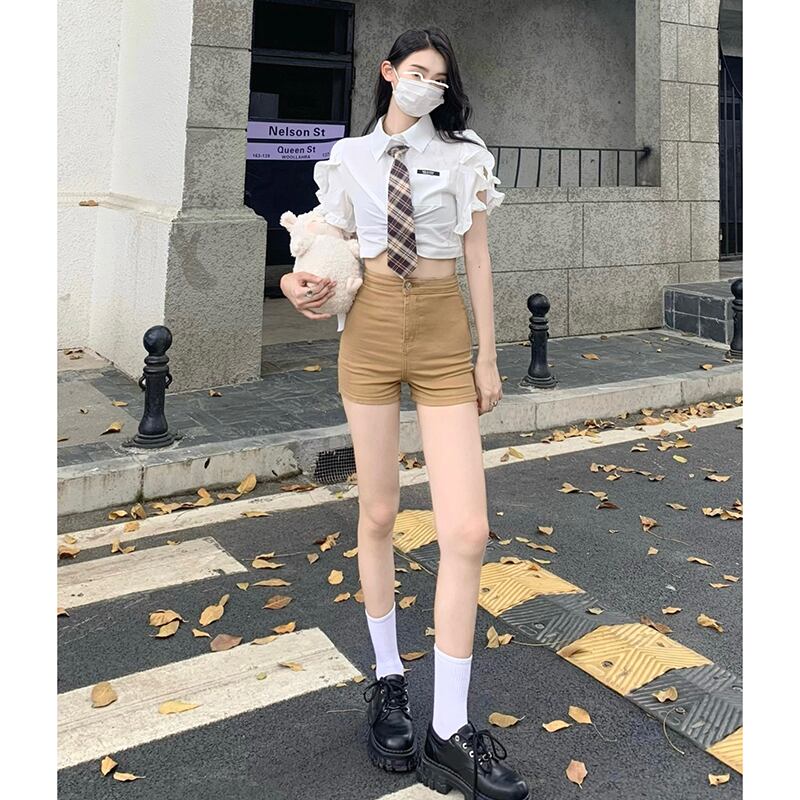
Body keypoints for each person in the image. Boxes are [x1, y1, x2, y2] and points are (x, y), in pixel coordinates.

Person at [281, 27, 530, 800]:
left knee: (467, 531)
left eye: (439, 78)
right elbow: (323, 242)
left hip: (442, 330)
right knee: (380, 512)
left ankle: (449, 727)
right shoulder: (349, 157)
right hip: (370, 330)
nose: (428, 85)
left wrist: (488, 354)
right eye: (418, 72)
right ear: (389, 72)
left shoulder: (463, 154)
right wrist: (296, 283)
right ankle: (388, 677)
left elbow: (478, 255)